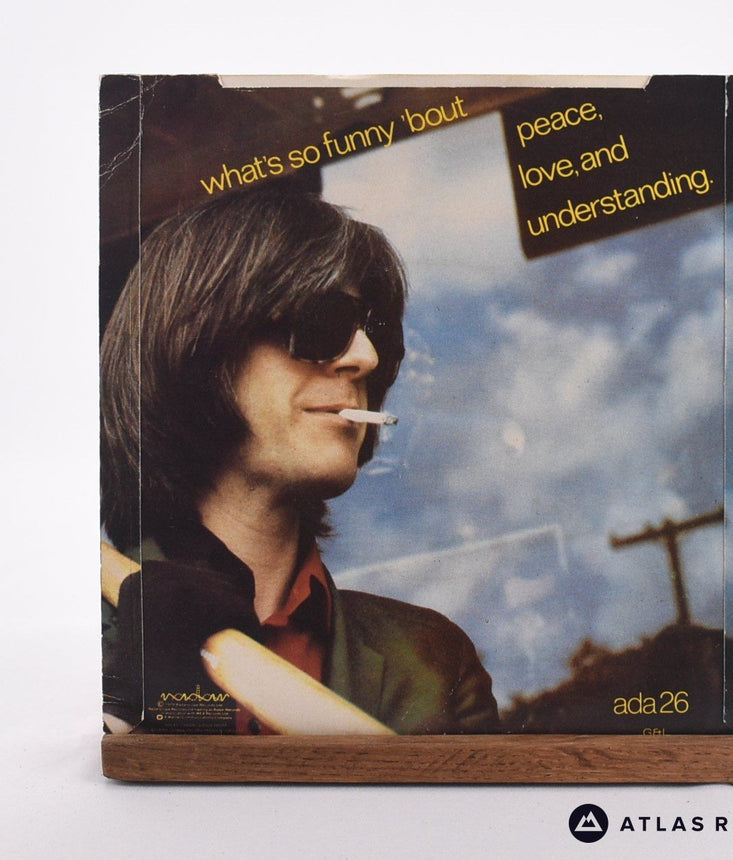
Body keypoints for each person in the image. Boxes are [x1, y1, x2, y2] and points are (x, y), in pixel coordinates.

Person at [101, 181, 498, 735]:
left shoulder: (434, 663)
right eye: (323, 321)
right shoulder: (61, 633)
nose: (365, 357)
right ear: (196, 342)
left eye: (376, 333)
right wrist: (123, 722)